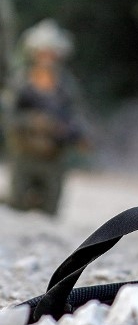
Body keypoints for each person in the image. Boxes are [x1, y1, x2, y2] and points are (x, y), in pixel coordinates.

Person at [2, 19, 88, 215]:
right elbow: (9, 117)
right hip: (25, 154)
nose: (47, 58)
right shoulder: (21, 82)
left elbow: (77, 116)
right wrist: (33, 121)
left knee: (50, 210)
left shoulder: (66, 85)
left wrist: (74, 134)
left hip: (53, 157)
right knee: (17, 205)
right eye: (43, 53)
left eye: (52, 53)